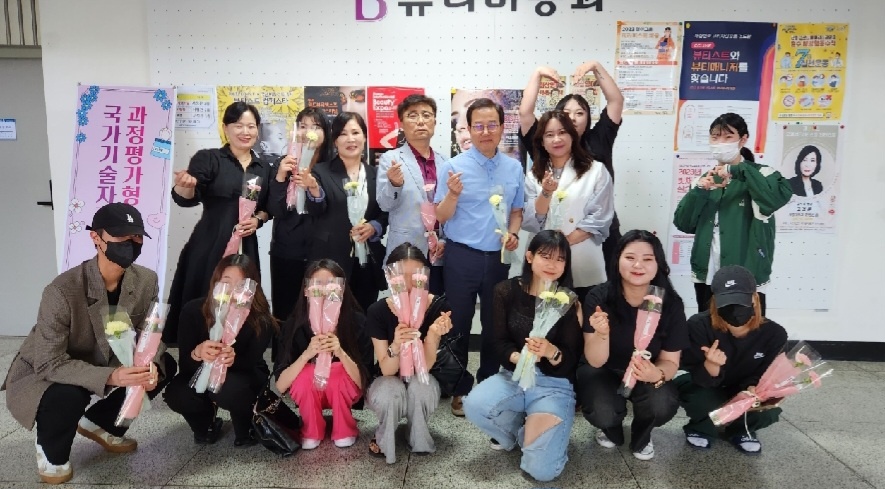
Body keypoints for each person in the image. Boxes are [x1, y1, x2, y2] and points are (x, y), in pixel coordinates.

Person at [2, 203, 174, 484]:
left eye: (136, 236)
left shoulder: (146, 279)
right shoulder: (61, 290)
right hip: (52, 366)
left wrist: (150, 363)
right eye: (120, 236)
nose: (130, 243)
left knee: (163, 366)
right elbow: (49, 362)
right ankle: (50, 449)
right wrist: (112, 376)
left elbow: (148, 331)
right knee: (69, 394)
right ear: (96, 237)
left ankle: (101, 424)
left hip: (106, 355)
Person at [463, 230, 582, 482]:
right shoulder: (505, 291)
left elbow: (571, 359)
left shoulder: (568, 300)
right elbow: (497, 341)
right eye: (545, 256)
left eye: (560, 259)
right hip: (514, 376)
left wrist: (551, 352)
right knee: (474, 405)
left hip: (553, 384)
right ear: (529, 256)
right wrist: (519, 358)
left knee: (541, 472)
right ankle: (520, 433)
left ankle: (541, 438)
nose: (552, 264)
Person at [435, 98, 524, 415]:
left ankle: (487, 384)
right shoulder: (453, 167)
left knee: (494, 324)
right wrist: (453, 194)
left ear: (502, 127)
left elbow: (517, 211)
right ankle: (459, 388)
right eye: (478, 126)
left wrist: (514, 233)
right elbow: (441, 216)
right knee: (458, 323)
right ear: (468, 129)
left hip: (498, 257)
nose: (486, 131)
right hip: (461, 256)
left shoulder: (514, 167)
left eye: (492, 125)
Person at [165, 102, 272, 344]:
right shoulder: (209, 158)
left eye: (251, 126)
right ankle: (198, 347)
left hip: (246, 244)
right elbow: (186, 198)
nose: (245, 132)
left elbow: (268, 208)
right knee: (205, 292)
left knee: (244, 295)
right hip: (211, 240)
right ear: (225, 128)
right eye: (238, 126)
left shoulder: (264, 167)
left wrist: (257, 220)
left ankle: (239, 347)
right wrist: (185, 185)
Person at [576, 230, 687, 461]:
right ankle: (611, 429)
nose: (638, 265)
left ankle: (642, 434)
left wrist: (657, 373)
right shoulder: (599, 297)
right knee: (602, 410)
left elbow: (671, 361)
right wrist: (602, 334)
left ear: (658, 264)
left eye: (647, 259)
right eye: (630, 257)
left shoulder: (671, 303)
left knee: (662, 403)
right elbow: (595, 360)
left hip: (646, 370)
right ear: (617, 260)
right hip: (604, 369)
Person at [673, 113, 792, 315]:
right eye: (715, 137)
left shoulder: (763, 174)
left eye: (728, 137)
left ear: (743, 139)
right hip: (707, 272)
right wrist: (699, 192)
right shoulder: (704, 180)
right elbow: (684, 223)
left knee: (746, 328)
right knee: (707, 326)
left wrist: (737, 170)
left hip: (747, 271)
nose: (720, 143)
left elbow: (774, 198)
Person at [163, 254, 276, 447]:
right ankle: (205, 424)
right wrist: (198, 353)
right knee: (178, 394)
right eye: (226, 282)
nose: (232, 290)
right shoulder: (193, 310)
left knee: (229, 389)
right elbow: (186, 365)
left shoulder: (260, 319)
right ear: (215, 282)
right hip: (201, 372)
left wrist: (233, 358)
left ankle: (245, 425)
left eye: (241, 284)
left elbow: (250, 362)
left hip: (243, 374)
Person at [519, 62, 624, 265]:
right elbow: (525, 113)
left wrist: (595, 66)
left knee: (600, 280)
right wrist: (538, 73)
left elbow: (616, 101)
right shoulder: (545, 145)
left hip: (597, 230)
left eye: (580, 113)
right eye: (566, 113)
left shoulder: (598, 140)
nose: (573, 119)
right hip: (550, 239)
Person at [675, 265, 788, 455]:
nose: (735, 310)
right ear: (715, 302)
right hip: (707, 387)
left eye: (741, 300)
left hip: (743, 387)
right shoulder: (698, 325)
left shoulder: (774, 334)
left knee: (767, 410)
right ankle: (702, 427)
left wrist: (754, 389)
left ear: (754, 298)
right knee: (700, 400)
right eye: (727, 303)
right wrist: (711, 366)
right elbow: (694, 374)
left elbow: (768, 373)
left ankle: (742, 430)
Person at [365, 243, 457, 463]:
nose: (407, 284)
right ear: (390, 277)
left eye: (415, 276)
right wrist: (396, 344)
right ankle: (384, 436)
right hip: (388, 377)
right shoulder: (378, 311)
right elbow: (387, 369)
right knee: (389, 391)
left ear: (425, 276)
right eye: (400, 276)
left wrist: (432, 335)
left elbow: (427, 367)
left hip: (424, 375)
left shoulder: (439, 306)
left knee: (421, 386)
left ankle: (417, 435)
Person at [274, 259, 373, 450]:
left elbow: (364, 382)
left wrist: (340, 352)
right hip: (310, 390)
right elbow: (280, 385)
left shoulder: (357, 322)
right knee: (305, 374)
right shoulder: (294, 326)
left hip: (345, 389)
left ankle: (344, 428)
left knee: (338, 371)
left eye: (331, 285)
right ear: (306, 290)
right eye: (317, 284)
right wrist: (307, 354)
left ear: (342, 289)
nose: (325, 291)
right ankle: (311, 429)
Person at [522, 110, 614, 301]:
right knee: (540, 314)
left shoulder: (596, 171)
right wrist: (546, 192)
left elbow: (600, 217)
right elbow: (532, 221)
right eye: (549, 134)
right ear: (541, 142)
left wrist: (562, 245)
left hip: (582, 257)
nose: (557, 139)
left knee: (583, 312)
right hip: (544, 263)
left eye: (562, 132)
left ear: (573, 136)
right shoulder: (533, 175)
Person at [307, 112, 389, 312]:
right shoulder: (320, 171)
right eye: (343, 134)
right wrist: (314, 190)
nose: (351, 139)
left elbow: (385, 212)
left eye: (356, 132)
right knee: (330, 315)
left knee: (364, 314)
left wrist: (374, 227)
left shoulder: (377, 175)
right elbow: (316, 210)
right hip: (331, 258)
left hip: (367, 261)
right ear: (335, 141)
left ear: (365, 137)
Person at [267, 107, 334, 323]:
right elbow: (275, 210)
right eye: (303, 126)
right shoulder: (283, 163)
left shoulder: (333, 166)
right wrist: (280, 175)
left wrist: (313, 187)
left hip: (322, 251)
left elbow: (329, 209)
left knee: (320, 314)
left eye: (316, 126)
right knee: (285, 313)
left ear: (326, 133)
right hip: (287, 249)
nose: (308, 132)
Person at [377, 95, 448, 294]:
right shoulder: (391, 159)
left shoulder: (445, 162)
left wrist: (444, 240)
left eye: (426, 115)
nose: (420, 121)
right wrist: (394, 184)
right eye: (413, 115)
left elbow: (451, 209)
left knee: (435, 306)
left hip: (439, 253)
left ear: (434, 121)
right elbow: (384, 204)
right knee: (405, 308)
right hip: (405, 251)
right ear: (401, 124)